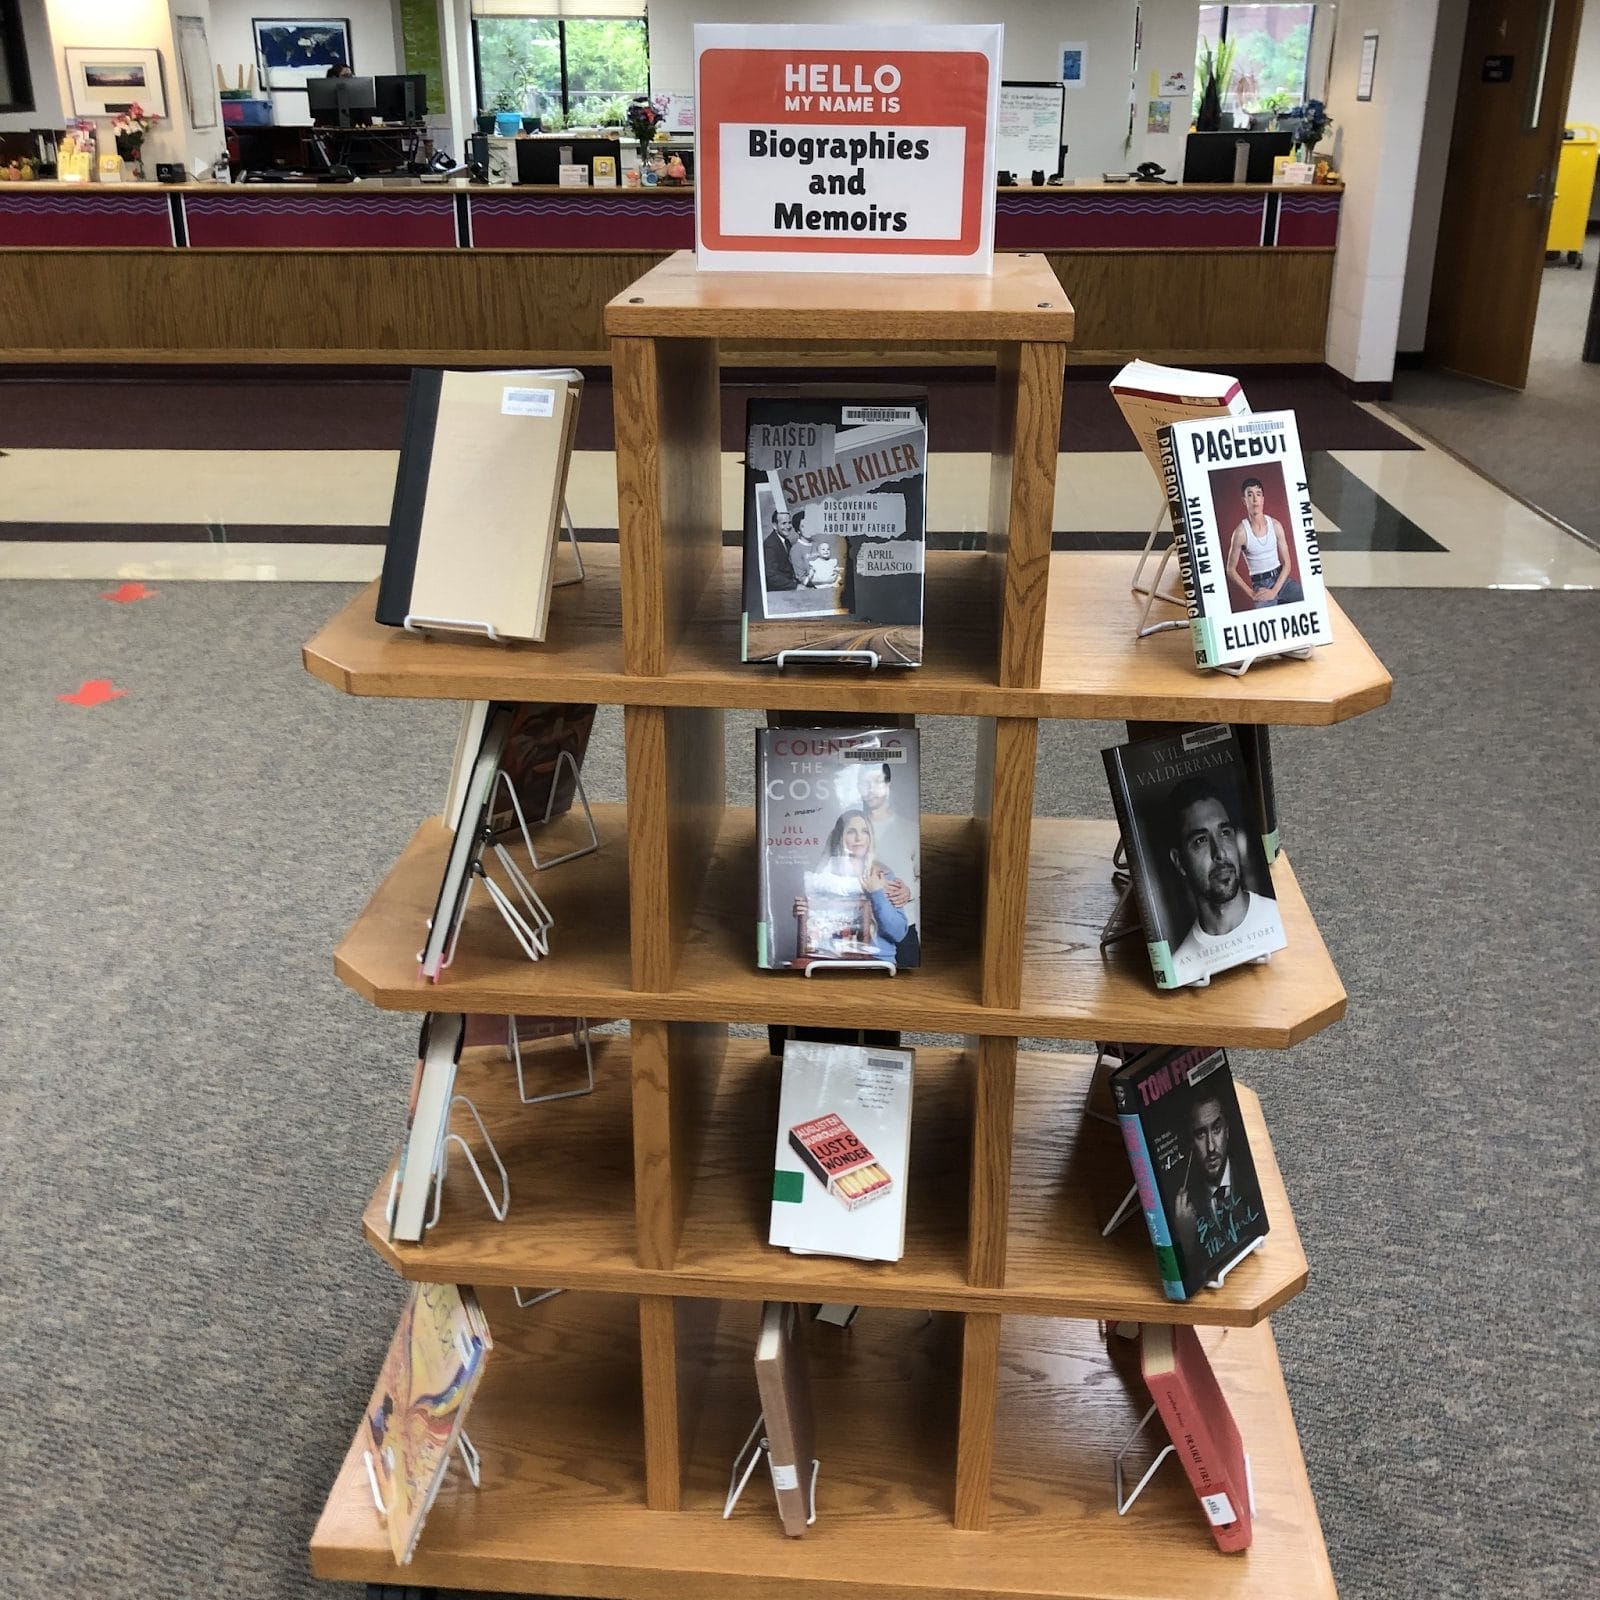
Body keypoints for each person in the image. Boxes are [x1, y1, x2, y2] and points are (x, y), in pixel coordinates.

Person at [1165, 774, 1277, 972]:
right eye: (1201, 840)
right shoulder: (1180, 967)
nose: (1220, 853)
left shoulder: (1275, 918)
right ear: (1179, 861)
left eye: (1225, 833)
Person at [793, 808, 907, 963]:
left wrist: (877, 893)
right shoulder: (823, 877)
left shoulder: (883, 875)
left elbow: (898, 933)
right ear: (840, 836)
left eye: (865, 832)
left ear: (870, 837)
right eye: (851, 832)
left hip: (877, 960)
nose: (859, 838)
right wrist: (805, 913)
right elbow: (817, 927)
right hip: (832, 958)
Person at [856, 759, 919, 965]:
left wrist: (909, 891)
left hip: (902, 927)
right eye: (864, 783)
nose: (870, 789)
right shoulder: (848, 828)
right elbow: (826, 871)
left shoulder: (910, 830)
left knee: (910, 981)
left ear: (888, 785)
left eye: (877, 781)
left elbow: (923, 875)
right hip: (859, 927)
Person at [1170, 1090, 1240, 1267]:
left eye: (1216, 1129)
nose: (1211, 1147)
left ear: (1227, 1131)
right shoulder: (1185, 1208)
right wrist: (1187, 1243)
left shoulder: (1249, 1176)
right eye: (1200, 1134)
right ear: (1191, 1143)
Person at [1223, 476, 1304, 610]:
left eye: (1258, 494)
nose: (1255, 499)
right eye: (1250, 495)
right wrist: (1251, 593)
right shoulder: (1240, 533)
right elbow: (1230, 570)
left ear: (1263, 499)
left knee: (1308, 597)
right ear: (1244, 500)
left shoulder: (1276, 525)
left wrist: (1274, 591)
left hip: (1282, 581)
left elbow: (1287, 563)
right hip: (1260, 585)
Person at [762, 506, 801, 594]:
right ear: (774, 526)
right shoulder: (770, 544)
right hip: (778, 591)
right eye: (784, 523)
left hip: (789, 586)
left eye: (789, 523)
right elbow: (772, 576)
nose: (788, 526)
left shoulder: (786, 541)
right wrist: (795, 586)